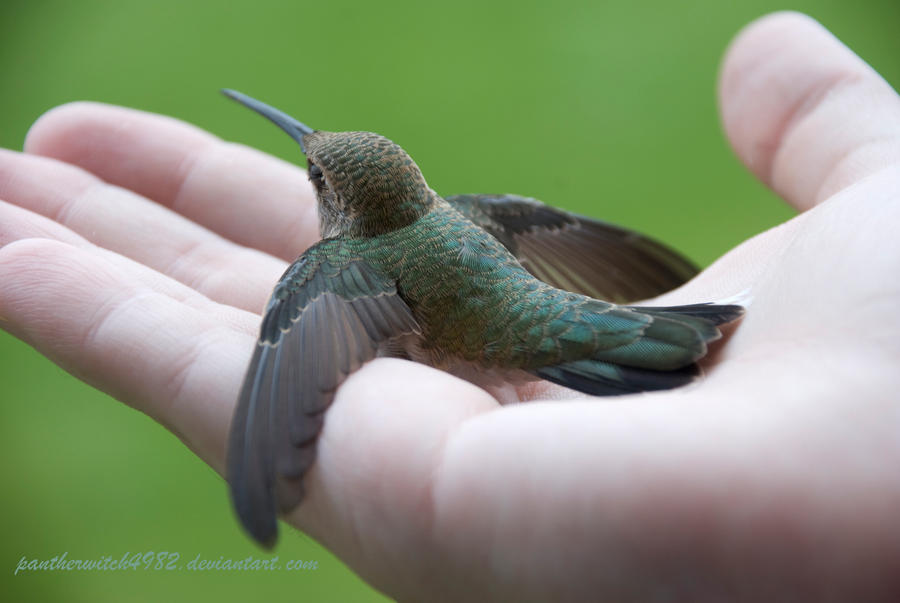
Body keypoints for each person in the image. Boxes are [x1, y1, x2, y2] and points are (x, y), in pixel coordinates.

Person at [1, 11, 898, 600]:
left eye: (315, 170)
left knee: (546, 332)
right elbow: (563, 242)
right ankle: (649, 340)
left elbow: (289, 348)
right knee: (570, 325)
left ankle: (627, 347)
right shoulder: (473, 215)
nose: (307, 162)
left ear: (339, 204)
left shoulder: (328, 272)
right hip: (538, 316)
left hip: (503, 334)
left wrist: (282, 396)